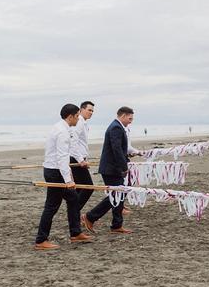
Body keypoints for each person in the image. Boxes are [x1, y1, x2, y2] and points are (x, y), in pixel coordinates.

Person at [34, 104, 92, 250]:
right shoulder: (62, 132)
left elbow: (72, 147)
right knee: (51, 206)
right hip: (55, 172)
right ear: (70, 116)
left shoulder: (65, 128)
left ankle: (75, 233)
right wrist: (69, 180)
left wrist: (80, 161)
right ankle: (41, 240)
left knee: (73, 200)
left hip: (56, 170)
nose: (79, 118)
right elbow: (62, 157)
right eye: (77, 116)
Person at [83, 106, 134, 234]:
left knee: (119, 195)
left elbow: (120, 149)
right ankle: (89, 217)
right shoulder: (116, 127)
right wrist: (124, 166)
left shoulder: (117, 126)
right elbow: (116, 149)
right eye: (130, 118)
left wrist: (127, 157)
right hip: (111, 168)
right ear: (123, 116)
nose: (131, 121)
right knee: (115, 196)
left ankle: (117, 225)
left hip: (113, 167)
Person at [70, 101, 95, 221]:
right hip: (75, 159)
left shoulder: (84, 123)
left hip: (80, 158)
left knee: (80, 189)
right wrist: (80, 160)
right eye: (89, 110)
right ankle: (73, 214)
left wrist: (85, 158)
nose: (91, 113)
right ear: (81, 110)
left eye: (92, 111)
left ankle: (74, 215)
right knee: (88, 187)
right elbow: (73, 143)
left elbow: (81, 144)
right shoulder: (79, 122)